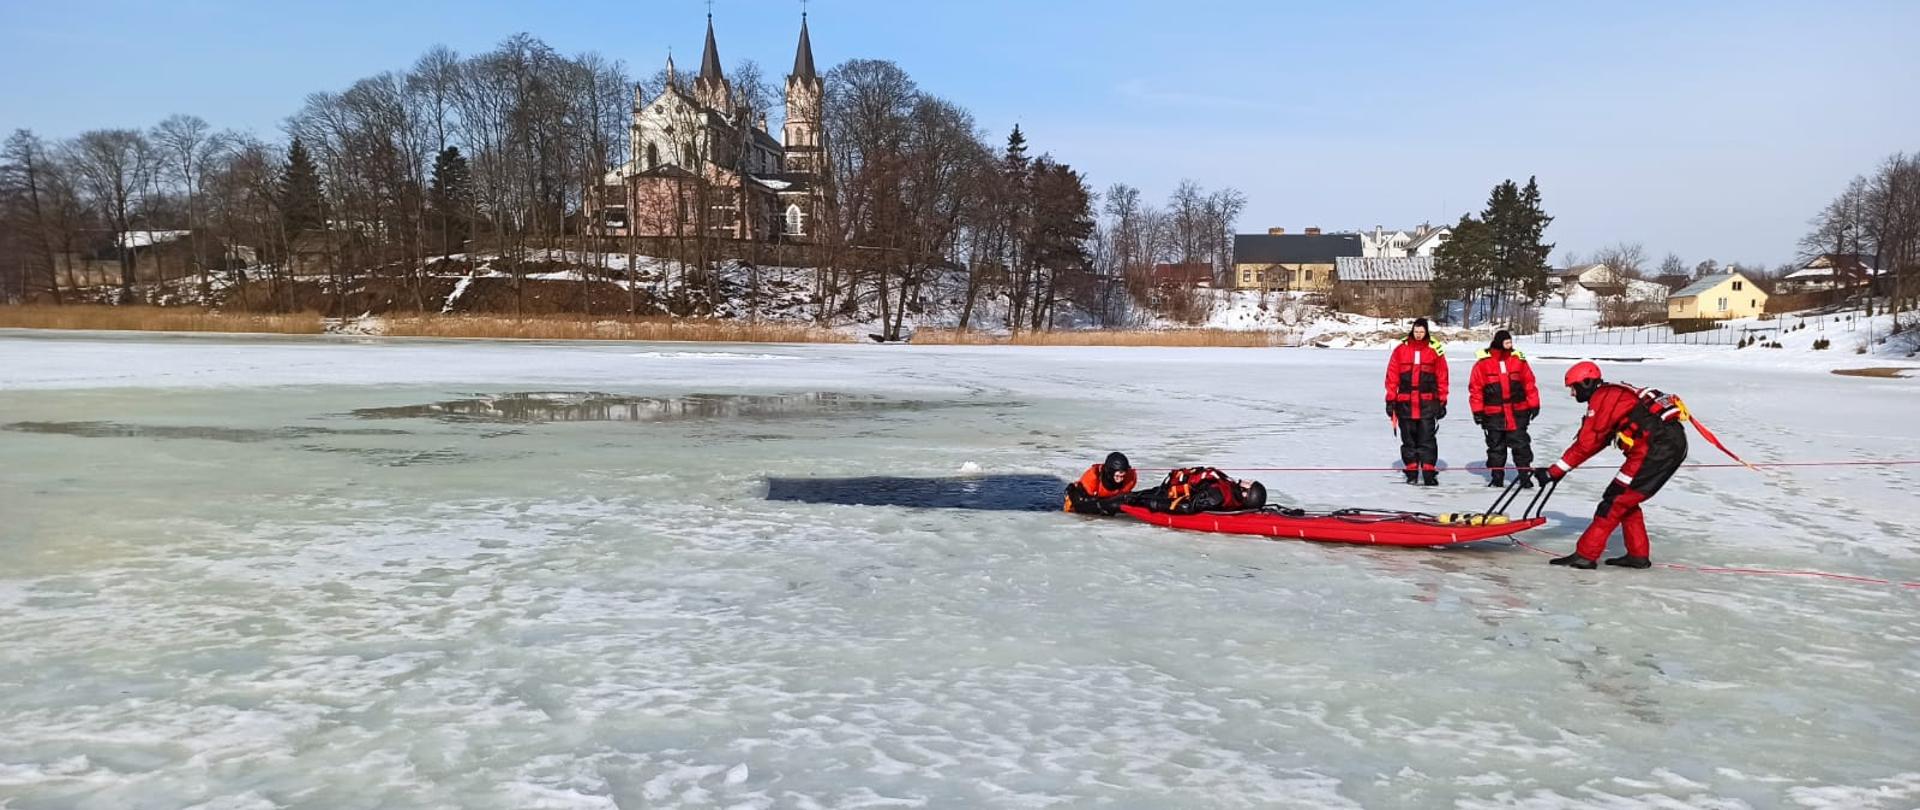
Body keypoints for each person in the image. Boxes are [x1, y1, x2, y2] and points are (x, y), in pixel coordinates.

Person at [1537, 361, 1689, 570]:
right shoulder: (1612, 394)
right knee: (1625, 499)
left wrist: (1554, 471)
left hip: (1655, 450)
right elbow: (1598, 440)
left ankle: (1585, 555)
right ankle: (1637, 555)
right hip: (1663, 446)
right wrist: (1561, 470)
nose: (1572, 394)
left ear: (1586, 383)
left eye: (1573, 388)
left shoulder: (1604, 399)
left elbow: (1588, 444)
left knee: (1615, 501)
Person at [1469, 329, 1542, 489]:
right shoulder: (1483, 364)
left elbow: (1529, 384)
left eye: (1511, 342)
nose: (1510, 345)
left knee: (1521, 445)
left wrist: (1534, 404)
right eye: (1507, 343)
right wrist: (1477, 411)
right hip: (1493, 414)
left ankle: (1525, 476)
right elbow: (1476, 389)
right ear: (1499, 343)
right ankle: (1497, 478)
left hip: (1518, 412)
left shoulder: (1518, 361)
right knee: (1496, 447)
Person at [1385, 317, 1448, 486]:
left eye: (1422, 332)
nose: (1419, 335)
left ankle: (1428, 472)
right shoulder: (1400, 350)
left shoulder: (1435, 350)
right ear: (1412, 331)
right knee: (1409, 440)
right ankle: (1411, 471)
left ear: (1426, 332)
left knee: (1427, 439)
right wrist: (1390, 400)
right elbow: (1392, 377)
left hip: (1427, 403)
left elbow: (1442, 377)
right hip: (1405, 403)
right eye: (1416, 331)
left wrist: (1442, 401)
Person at [1130, 466, 1268, 515]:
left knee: (1127, 499)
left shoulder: (1219, 495)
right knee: (1128, 496)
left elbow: (1188, 506)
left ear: (1245, 493)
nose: (1247, 480)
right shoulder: (1230, 489)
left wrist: (1152, 504)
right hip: (1170, 488)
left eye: (1249, 483)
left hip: (1167, 494)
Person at [1063, 451, 1138, 515]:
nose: (1121, 478)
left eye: (1123, 475)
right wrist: (1108, 505)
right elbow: (1080, 504)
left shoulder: (1130, 478)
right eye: (1118, 475)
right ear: (1110, 472)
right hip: (1082, 500)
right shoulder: (1092, 477)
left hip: (1110, 499)